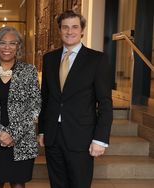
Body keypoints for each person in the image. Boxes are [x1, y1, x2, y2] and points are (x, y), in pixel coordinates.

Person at [38, 10, 113, 188]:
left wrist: (100, 139)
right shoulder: (49, 59)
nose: (69, 31)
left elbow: (105, 103)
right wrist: (41, 129)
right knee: (57, 184)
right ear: (59, 30)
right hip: (53, 136)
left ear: (82, 31)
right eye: (65, 27)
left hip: (81, 137)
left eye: (74, 27)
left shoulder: (97, 59)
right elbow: (45, 98)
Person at [0, 26, 41, 188]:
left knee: (18, 184)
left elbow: (35, 105)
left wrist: (12, 134)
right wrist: (0, 133)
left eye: (12, 43)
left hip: (22, 139)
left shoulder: (29, 71)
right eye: (2, 42)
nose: (7, 47)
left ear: (19, 46)